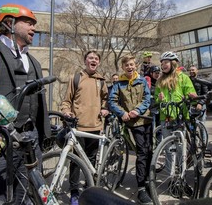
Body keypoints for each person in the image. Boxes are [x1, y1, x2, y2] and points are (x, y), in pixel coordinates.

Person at [0, 3, 51, 204]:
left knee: (28, 196)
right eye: (28, 23)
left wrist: (45, 135)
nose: (34, 28)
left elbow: (38, 103)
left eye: (34, 24)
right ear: (9, 23)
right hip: (0, 141)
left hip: (31, 140)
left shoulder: (33, 61)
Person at [60, 50, 109, 205]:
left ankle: (90, 189)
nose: (93, 60)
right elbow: (67, 101)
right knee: (75, 161)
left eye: (96, 58)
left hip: (96, 126)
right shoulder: (76, 78)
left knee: (92, 160)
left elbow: (106, 100)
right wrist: (66, 111)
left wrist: (105, 108)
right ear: (85, 61)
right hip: (78, 127)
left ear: (98, 62)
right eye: (90, 58)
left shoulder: (101, 80)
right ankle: (74, 191)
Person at [108, 55, 153, 205]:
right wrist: (123, 113)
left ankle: (148, 181)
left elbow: (147, 98)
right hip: (132, 123)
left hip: (145, 119)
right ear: (123, 67)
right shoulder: (118, 83)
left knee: (149, 151)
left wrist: (138, 110)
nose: (130, 67)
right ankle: (141, 188)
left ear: (135, 65)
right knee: (141, 152)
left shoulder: (142, 81)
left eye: (132, 64)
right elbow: (112, 101)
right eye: (126, 65)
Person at [154, 51, 196, 178]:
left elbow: (191, 92)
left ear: (173, 63)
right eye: (162, 63)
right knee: (168, 148)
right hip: (165, 117)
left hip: (180, 116)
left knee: (180, 148)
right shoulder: (160, 80)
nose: (163, 65)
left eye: (166, 62)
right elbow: (156, 98)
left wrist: (191, 97)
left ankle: (181, 176)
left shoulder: (183, 77)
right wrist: (159, 99)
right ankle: (171, 176)